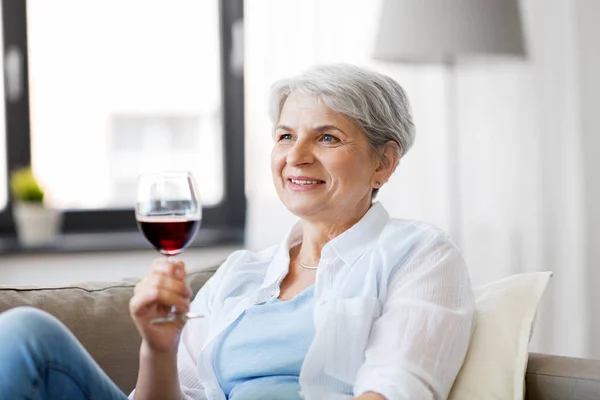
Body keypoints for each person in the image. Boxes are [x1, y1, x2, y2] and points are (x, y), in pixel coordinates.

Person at [0, 63, 475, 400]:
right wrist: (158, 348)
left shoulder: (418, 254)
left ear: (384, 162)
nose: (297, 156)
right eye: (286, 135)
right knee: (26, 334)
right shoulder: (242, 274)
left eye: (327, 137)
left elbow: (396, 390)